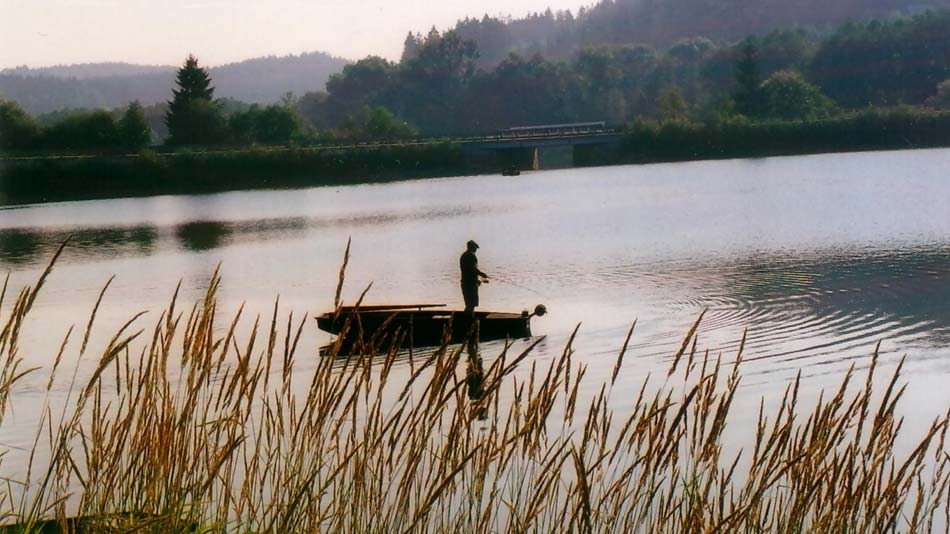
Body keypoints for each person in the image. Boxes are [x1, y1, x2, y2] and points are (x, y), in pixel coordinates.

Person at [460, 240, 489, 317]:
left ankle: (467, 322)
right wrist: (482, 274)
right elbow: (473, 269)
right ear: (471, 247)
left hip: (465, 283)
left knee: (469, 305)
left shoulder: (464, 255)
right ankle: (469, 323)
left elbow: (469, 272)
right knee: (471, 305)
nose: (476, 250)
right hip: (470, 284)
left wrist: (479, 280)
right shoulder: (471, 256)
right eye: (475, 248)